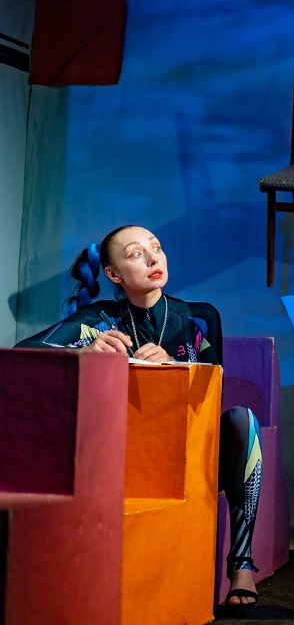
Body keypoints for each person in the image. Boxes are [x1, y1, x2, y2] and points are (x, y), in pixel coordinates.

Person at [16, 225, 263, 618]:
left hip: (192, 454)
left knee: (242, 420)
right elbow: (25, 352)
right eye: (135, 254)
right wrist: (84, 353)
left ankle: (242, 563)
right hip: (124, 459)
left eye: (157, 248)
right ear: (113, 274)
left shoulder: (199, 317)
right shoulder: (98, 319)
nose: (152, 259)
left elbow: (211, 392)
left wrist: (175, 365)